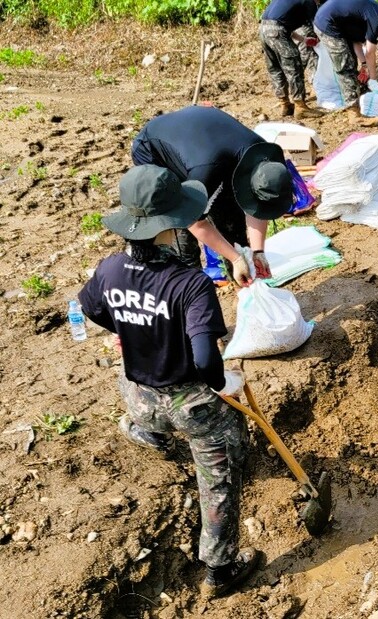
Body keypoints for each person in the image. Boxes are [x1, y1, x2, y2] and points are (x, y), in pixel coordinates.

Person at [79, 165, 258, 598]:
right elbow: (205, 358)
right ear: (171, 223)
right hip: (191, 407)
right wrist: (222, 382)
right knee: (218, 476)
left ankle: (146, 432)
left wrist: (131, 329)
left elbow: (91, 309)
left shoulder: (110, 268)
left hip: (140, 397)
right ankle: (220, 569)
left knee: (146, 405)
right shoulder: (189, 283)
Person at [131, 106, 293, 287]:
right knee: (181, 227)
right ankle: (191, 287)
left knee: (231, 221)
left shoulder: (268, 158)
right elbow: (194, 222)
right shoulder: (208, 172)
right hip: (154, 148)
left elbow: (260, 206)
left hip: (203, 141)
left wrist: (257, 252)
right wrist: (236, 259)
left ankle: (243, 284)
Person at [313, 0, 378, 126]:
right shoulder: (377, 19)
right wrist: (374, 80)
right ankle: (354, 114)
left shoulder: (370, 17)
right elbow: (370, 52)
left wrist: (364, 65)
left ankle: (356, 100)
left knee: (350, 63)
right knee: (346, 68)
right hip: (327, 23)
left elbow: (356, 42)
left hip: (329, 20)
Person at [259, 0, 325, 119]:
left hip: (263, 29)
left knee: (276, 68)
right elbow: (317, 25)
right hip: (277, 31)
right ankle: (300, 107)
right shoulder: (309, 2)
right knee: (294, 67)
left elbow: (280, 24)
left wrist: (304, 40)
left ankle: (285, 104)